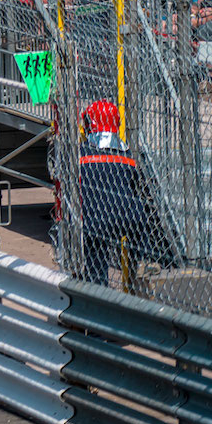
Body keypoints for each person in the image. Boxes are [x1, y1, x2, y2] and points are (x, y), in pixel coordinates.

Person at [76, 101, 169, 288]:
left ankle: (98, 286)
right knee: (139, 217)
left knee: (96, 251)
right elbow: (137, 186)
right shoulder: (127, 157)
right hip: (127, 216)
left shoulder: (81, 154)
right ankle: (142, 258)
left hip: (95, 219)